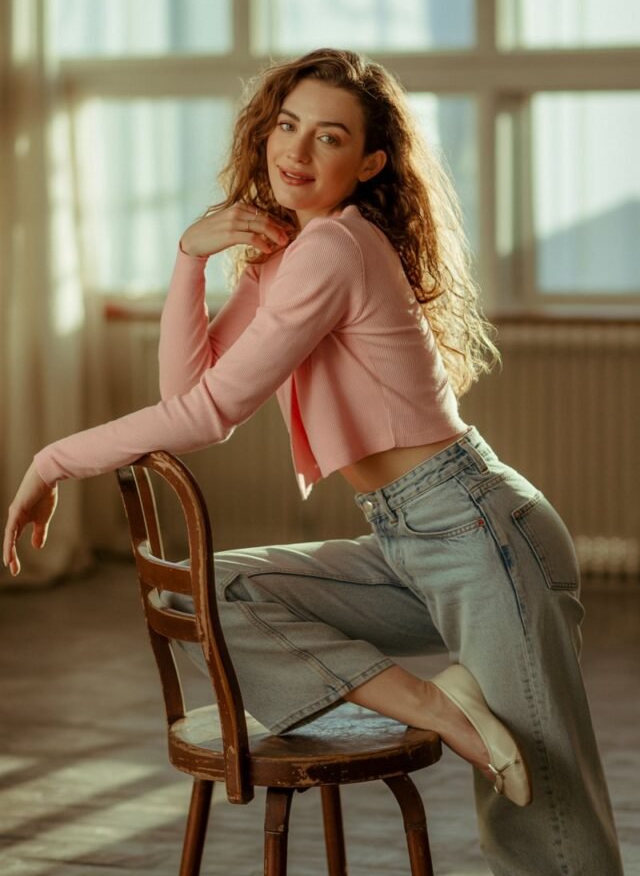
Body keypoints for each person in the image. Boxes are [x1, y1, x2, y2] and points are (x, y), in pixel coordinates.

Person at [3, 49, 623, 874]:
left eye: (329, 137)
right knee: (219, 590)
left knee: (544, 821)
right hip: (406, 534)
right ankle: (441, 705)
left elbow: (203, 414)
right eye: (287, 126)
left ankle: (454, 712)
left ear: (368, 163)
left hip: (478, 530)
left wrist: (50, 459)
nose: (296, 151)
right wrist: (191, 258)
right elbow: (193, 390)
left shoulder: (335, 248)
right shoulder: (292, 250)